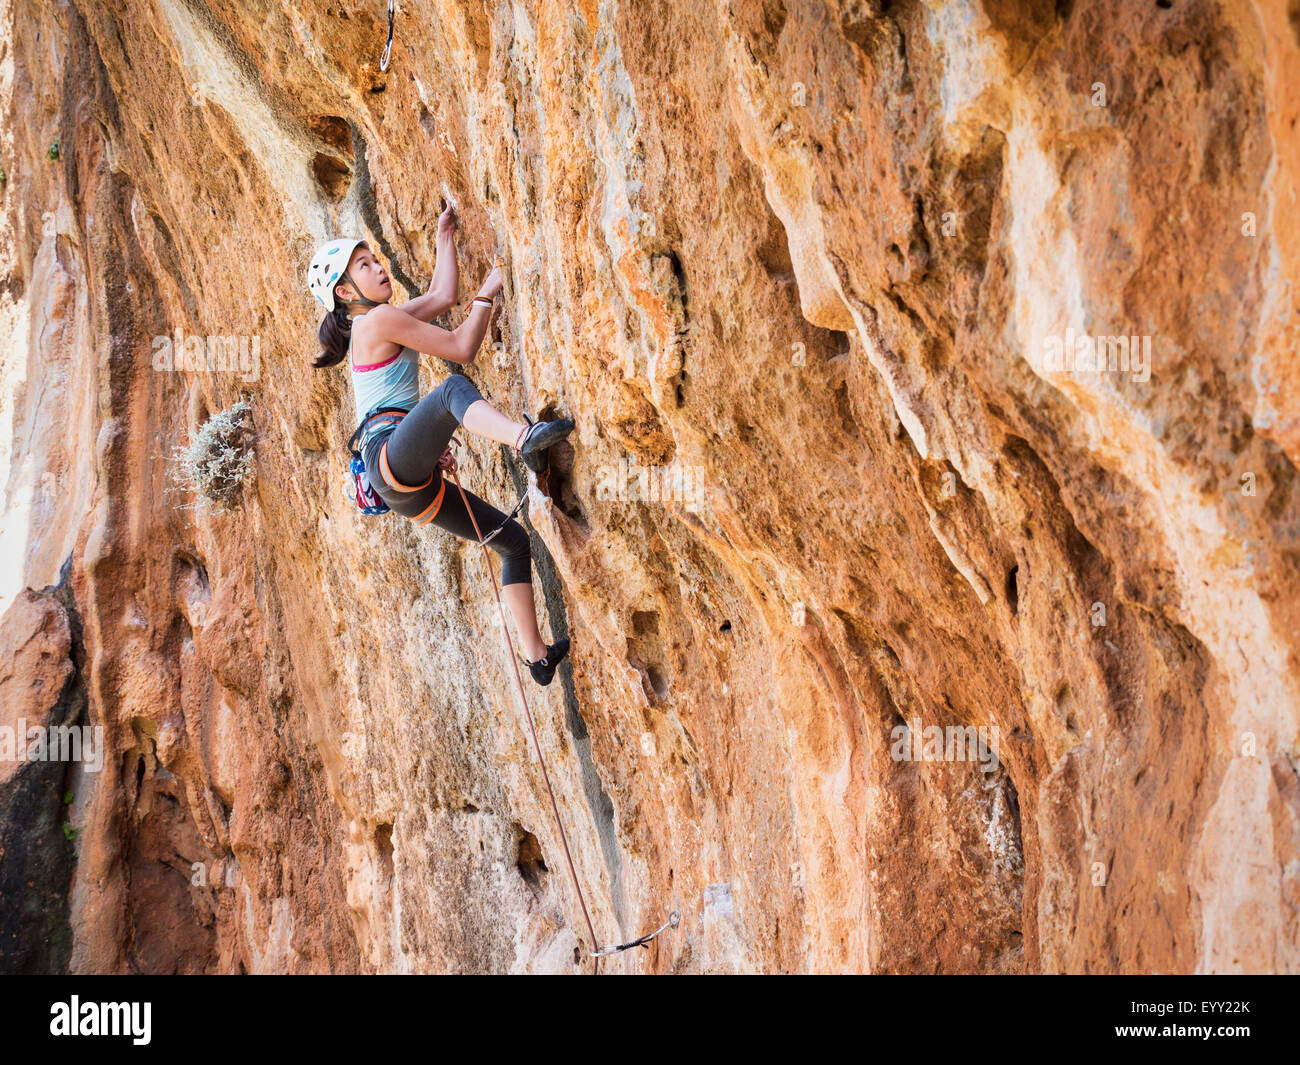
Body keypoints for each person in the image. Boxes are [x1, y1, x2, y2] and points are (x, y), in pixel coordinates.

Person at [307, 207, 572, 685]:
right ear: (345, 293)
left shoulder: (382, 319)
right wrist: (487, 294)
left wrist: (443, 235)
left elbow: (440, 296)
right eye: (364, 265)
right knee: (451, 390)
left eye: (373, 257)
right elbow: (460, 347)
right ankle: (522, 438)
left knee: (512, 542)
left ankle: (537, 655)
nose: (378, 265)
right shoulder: (374, 323)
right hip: (391, 456)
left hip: (404, 481)